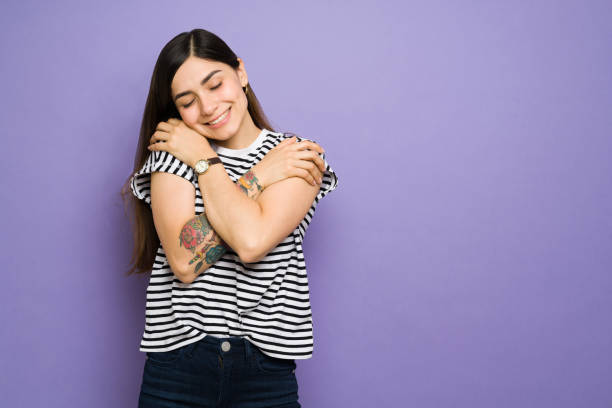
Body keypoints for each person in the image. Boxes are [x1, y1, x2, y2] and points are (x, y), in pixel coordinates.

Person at [121, 28, 339, 407]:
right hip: (177, 367)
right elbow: (185, 263)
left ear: (240, 72)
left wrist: (204, 164)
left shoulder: (297, 155)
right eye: (187, 101)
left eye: (215, 84)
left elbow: (252, 242)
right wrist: (256, 175)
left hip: (266, 372)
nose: (207, 107)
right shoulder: (173, 153)